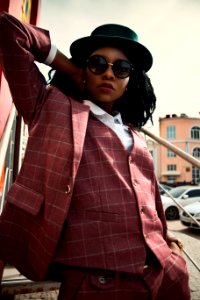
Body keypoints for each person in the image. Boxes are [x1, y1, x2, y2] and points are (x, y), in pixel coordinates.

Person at [0, 11, 190, 300]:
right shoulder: (49, 106)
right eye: (97, 63)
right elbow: (8, 28)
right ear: (84, 68)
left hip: (165, 275)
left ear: (131, 79)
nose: (109, 73)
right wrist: (69, 68)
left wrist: (167, 243)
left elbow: (151, 201)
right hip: (95, 282)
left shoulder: (135, 135)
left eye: (122, 68)